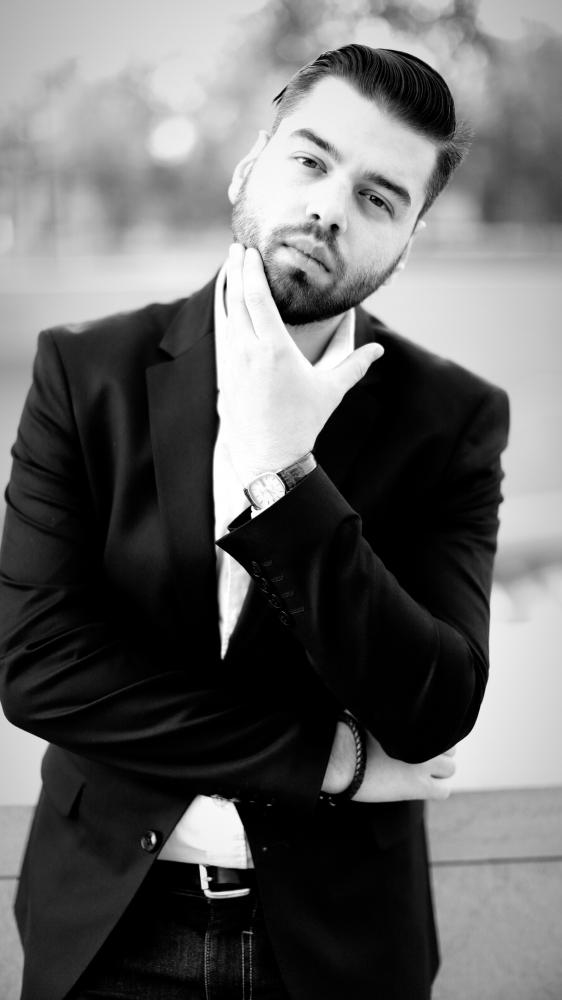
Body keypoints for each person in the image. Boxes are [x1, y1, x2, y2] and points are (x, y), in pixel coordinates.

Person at [0, 43, 509, 1000]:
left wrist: (285, 474)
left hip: (339, 947)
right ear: (250, 167)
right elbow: (39, 668)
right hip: (109, 929)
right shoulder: (84, 373)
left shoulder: (452, 419)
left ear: (407, 242)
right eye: (310, 160)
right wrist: (332, 761)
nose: (328, 208)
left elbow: (435, 706)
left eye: (378, 198)